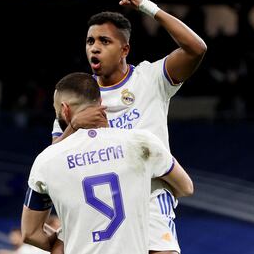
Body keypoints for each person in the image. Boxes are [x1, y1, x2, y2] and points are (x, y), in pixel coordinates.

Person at [51, 0, 206, 254]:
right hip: (98, 206)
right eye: (90, 42)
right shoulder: (76, 98)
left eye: (104, 41)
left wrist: (147, 6)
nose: (95, 48)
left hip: (150, 198)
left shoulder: (151, 78)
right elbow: (51, 164)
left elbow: (196, 49)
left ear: (125, 49)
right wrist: (75, 126)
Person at [22, 72, 193, 254]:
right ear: (101, 104)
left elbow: (30, 233)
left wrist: (67, 239)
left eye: (57, 112)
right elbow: (186, 187)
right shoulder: (140, 142)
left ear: (65, 109)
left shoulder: (47, 160)